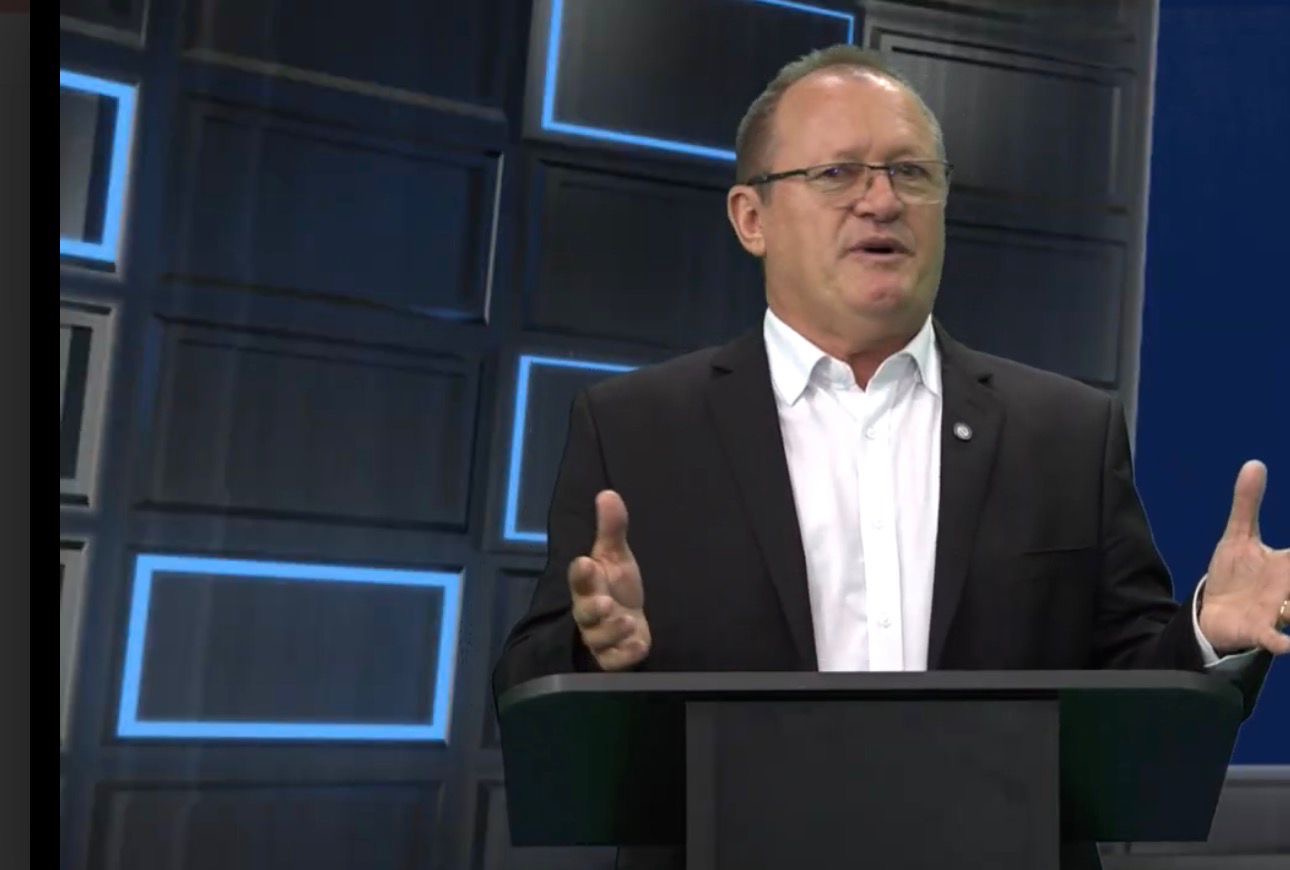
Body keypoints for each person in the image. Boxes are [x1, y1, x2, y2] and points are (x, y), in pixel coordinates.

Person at [493, 43, 1284, 867]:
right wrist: (595, 648)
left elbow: (1131, 696)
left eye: (911, 173)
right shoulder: (636, 430)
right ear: (752, 218)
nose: (882, 200)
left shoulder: (1067, 432)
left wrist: (1207, 633)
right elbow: (528, 686)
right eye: (838, 173)